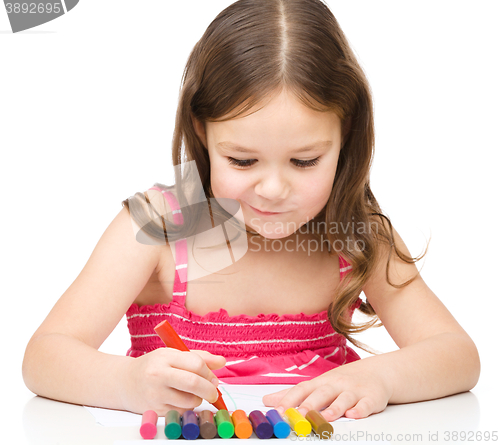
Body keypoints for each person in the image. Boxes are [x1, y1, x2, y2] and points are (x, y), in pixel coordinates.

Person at [22, 0, 480, 421]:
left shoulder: (355, 236)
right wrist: (127, 384)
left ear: (345, 135)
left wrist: (381, 377)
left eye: (304, 161)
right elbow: (44, 357)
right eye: (242, 160)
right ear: (202, 132)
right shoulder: (160, 226)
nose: (274, 188)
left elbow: (457, 354)